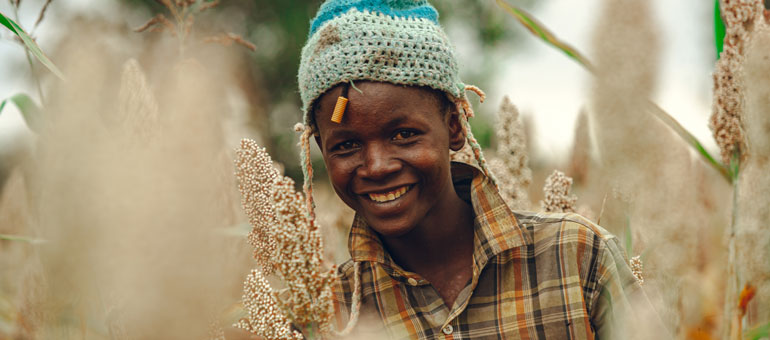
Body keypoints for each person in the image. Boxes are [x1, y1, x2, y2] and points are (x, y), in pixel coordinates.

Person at [295, 0, 651, 338]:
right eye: (346, 145)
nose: (376, 166)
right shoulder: (328, 312)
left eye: (404, 135)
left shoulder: (575, 256)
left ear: (455, 127)